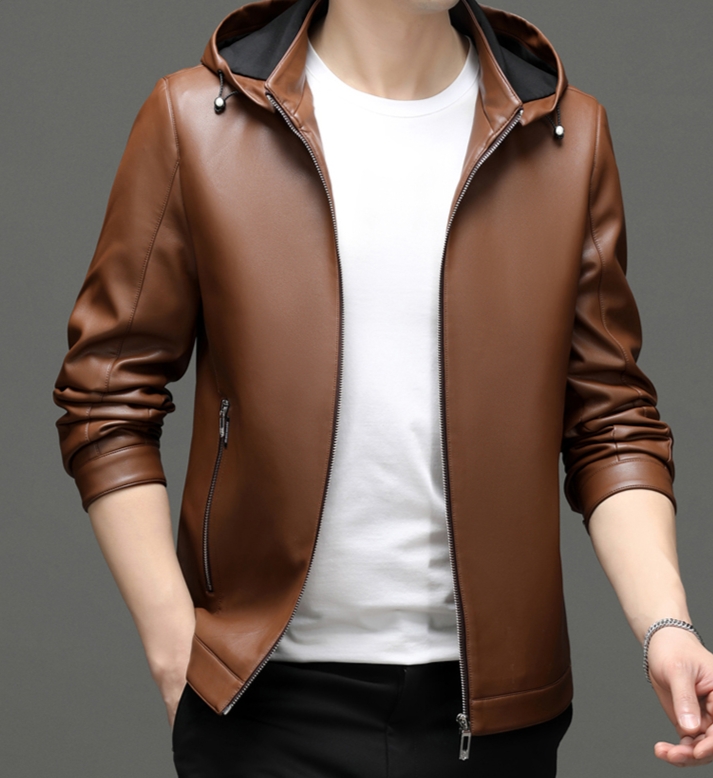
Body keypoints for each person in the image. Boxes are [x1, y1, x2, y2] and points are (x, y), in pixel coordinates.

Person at [53, 0, 713, 775]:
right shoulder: (199, 119)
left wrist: (666, 625)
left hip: (494, 717)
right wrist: (175, 645)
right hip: (261, 705)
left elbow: (609, 421)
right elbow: (105, 398)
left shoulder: (563, 135)